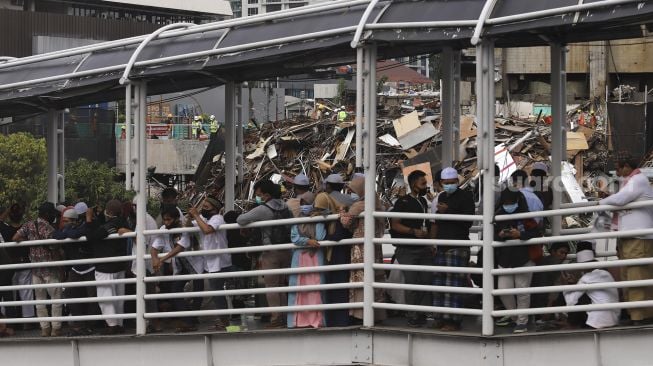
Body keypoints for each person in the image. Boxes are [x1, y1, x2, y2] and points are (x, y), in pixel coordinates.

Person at [600, 151, 653, 324]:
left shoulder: (638, 180)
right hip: (629, 236)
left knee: (636, 276)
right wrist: (608, 199)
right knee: (628, 275)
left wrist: (601, 202)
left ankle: (639, 316)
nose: (616, 172)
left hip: (638, 237)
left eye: (618, 169)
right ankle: (635, 314)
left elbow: (622, 199)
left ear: (627, 167)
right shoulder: (630, 181)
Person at [237, 180, 291, 328]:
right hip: (287, 250)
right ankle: (286, 317)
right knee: (282, 285)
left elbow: (240, 219)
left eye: (259, 194)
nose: (257, 196)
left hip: (271, 251)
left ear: (267, 195)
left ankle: (275, 319)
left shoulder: (264, 209)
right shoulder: (286, 206)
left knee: (271, 286)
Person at [431, 167, 475, 331]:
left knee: (453, 285)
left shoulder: (465, 196)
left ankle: (453, 321)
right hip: (442, 245)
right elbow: (437, 221)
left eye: (451, 183)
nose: (449, 185)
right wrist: (434, 243)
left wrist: (448, 210)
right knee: (439, 284)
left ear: (457, 182)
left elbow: (468, 221)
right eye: (446, 183)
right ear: (441, 183)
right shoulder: (442, 196)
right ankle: (440, 317)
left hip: (458, 244)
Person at [493, 189, 542, 334]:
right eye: (506, 203)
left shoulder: (526, 215)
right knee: (503, 290)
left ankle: (522, 322)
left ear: (518, 201)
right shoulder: (498, 216)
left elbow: (536, 232)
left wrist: (520, 234)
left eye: (512, 203)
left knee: (522, 292)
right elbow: (492, 236)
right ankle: (516, 318)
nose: (509, 205)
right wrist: (501, 235)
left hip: (524, 257)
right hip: (505, 259)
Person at [341, 176, 387, 325]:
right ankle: (376, 314)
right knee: (373, 276)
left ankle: (360, 314)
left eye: (354, 190)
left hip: (360, 246)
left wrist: (341, 212)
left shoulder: (360, 205)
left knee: (360, 277)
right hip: (374, 246)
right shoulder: (376, 202)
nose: (352, 193)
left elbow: (346, 222)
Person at [390, 170, 433, 327]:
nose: (425, 186)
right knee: (412, 281)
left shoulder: (422, 201)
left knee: (427, 279)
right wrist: (413, 231)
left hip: (423, 248)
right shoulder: (402, 202)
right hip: (407, 248)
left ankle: (418, 310)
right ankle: (413, 314)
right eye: (422, 183)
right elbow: (395, 224)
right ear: (414, 184)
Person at [12, 202, 63, 337]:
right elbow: (55, 249)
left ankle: (44, 328)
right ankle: (56, 328)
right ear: (47, 214)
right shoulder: (49, 228)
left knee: (39, 300)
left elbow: (15, 238)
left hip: (35, 269)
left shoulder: (29, 225)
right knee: (55, 299)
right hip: (50, 268)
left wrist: (30, 240)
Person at [86, 199, 131, 335]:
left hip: (106, 266)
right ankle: (119, 323)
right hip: (118, 265)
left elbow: (93, 236)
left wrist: (89, 219)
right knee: (118, 296)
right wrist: (97, 217)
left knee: (105, 296)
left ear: (109, 212)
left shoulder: (113, 224)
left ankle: (112, 325)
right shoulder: (122, 222)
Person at [187, 196, 232, 330]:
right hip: (210, 262)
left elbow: (207, 230)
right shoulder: (204, 219)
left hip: (220, 262)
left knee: (217, 292)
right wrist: (190, 216)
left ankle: (225, 320)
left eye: (206, 207)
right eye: (203, 207)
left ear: (215, 209)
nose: (203, 210)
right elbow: (187, 226)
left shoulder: (217, 218)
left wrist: (196, 215)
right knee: (216, 291)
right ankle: (224, 319)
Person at [151, 206, 197, 332]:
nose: (166, 222)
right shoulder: (164, 229)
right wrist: (155, 258)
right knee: (176, 292)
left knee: (193, 293)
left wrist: (160, 259)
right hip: (179, 266)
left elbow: (180, 247)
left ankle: (190, 321)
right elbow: (155, 246)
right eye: (164, 220)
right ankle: (189, 321)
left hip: (194, 265)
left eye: (169, 220)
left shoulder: (184, 227)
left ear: (176, 219)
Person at [54, 208, 97, 336]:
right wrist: (68, 231)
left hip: (90, 267)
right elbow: (56, 235)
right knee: (70, 293)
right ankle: (78, 325)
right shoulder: (67, 229)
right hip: (76, 269)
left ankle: (91, 325)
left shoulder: (85, 226)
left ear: (74, 220)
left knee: (92, 297)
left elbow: (81, 233)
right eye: (63, 221)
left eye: (67, 221)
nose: (64, 223)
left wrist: (70, 232)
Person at [288, 192, 325, 328]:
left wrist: (318, 219)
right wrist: (308, 241)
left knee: (315, 289)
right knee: (299, 290)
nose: (304, 206)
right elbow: (295, 238)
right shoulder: (297, 219)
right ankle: (298, 321)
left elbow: (320, 237)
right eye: (302, 204)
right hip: (301, 257)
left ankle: (317, 320)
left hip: (314, 257)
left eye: (307, 203)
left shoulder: (318, 218)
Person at [563, 242, 619, 329]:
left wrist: (567, 285)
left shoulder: (586, 278)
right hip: (614, 319)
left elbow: (570, 302)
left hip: (597, 322)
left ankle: (571, 324)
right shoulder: (606, 273)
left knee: (579, 298)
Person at [1, 203, 35, 327]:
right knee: (26, 292)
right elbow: (33, 223)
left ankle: (9, 322)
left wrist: (8, 210)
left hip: (9, 264)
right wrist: (26, 212)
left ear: (9, 216)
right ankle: (28, 321)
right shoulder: (26, 228)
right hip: (24, 262)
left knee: (9, 294)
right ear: (21, 216)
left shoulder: (5, 229)